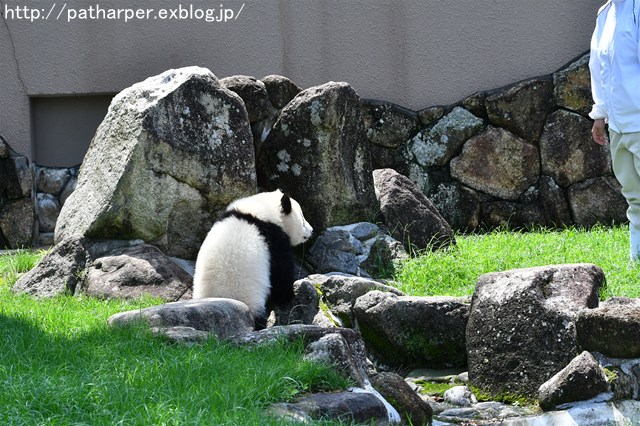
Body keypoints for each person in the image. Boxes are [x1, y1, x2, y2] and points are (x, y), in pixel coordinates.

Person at [589, 0, 640, 261]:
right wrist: (600, 114)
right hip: (619, 124)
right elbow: (598, 67)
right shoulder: (605, 12)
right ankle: (636, 257)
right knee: (634, 196)